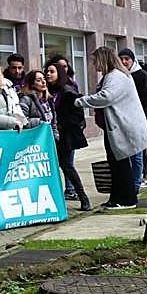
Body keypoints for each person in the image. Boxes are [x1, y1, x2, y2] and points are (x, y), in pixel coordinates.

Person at [75, 47, 147, 210]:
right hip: (116, 128)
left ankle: (126, 199)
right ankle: (117, 197)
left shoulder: (115, 77)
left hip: (122, 128)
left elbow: (107, 97)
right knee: (116, 164)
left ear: (103, 60)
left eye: (95, 61)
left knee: (121, 164)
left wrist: (81, 101)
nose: (94, 64)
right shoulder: (113, 76)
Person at [46, 62, 90, 210]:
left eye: (52, 71)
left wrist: (60, 123)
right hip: (53, 136)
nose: (48, 74)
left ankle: (83, 197)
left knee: (67, 167)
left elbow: (77, 115)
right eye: (47, 71)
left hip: (65, 137)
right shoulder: (50, 92)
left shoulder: (67, 92)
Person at [119, 48, 147, 189]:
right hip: (128, 119)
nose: (124, 61)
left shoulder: (142, 75)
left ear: (132, 60)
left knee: (143, 148)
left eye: (127, 59)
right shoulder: (121, 75)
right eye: (121, 58)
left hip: (143, 118)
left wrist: (146, 116)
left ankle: (145, 175)